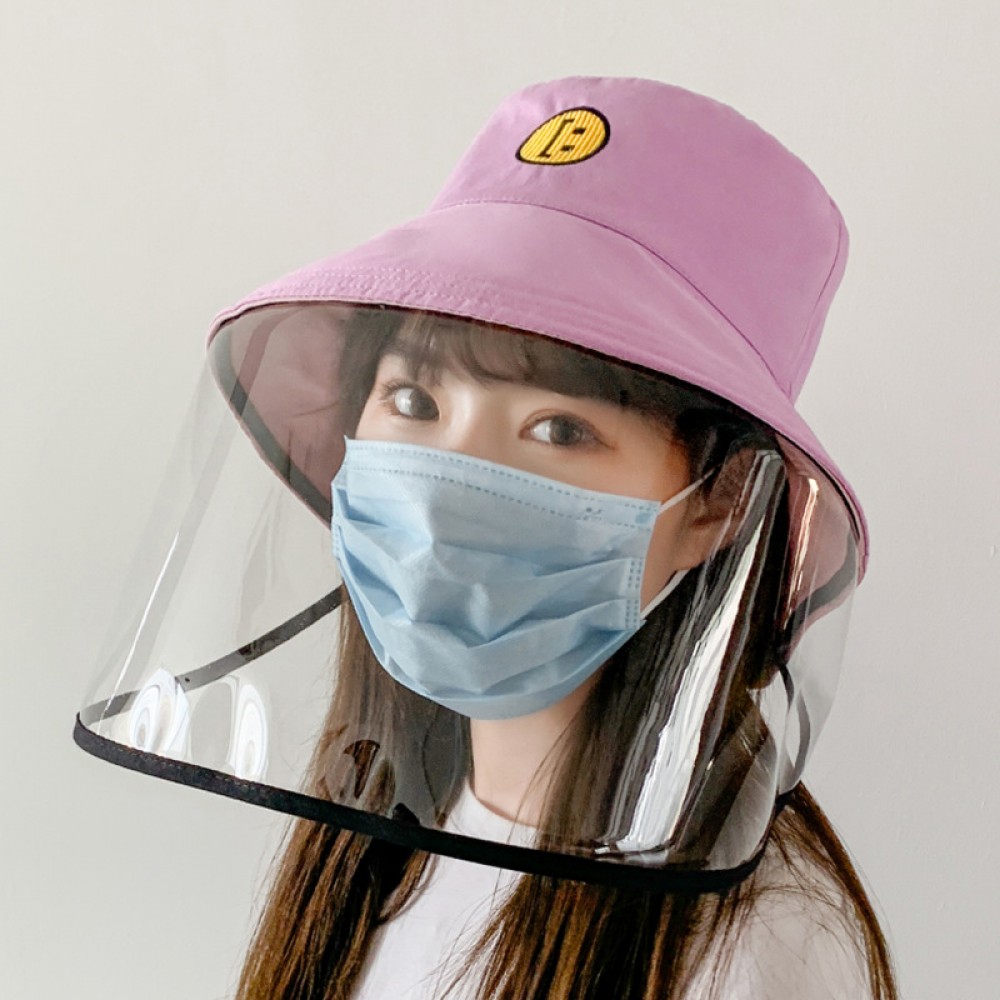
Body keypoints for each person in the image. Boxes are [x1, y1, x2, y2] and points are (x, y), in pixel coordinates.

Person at [74, 77, 898, 999]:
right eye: (413, 399)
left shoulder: (753, 947)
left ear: (720, 503)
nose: (443, 493)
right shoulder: (376, 843)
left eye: (559, 428)